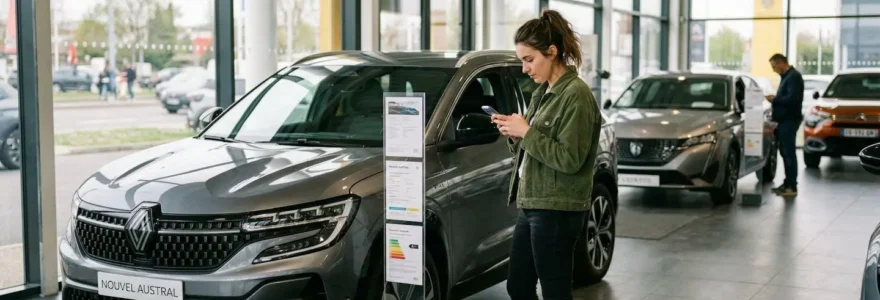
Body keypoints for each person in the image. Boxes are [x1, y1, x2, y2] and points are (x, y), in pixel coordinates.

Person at [491, 9, 601, 300]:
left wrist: (527, 132)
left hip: (558, 208)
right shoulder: (542, 93)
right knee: (518, 285)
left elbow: (570, 159)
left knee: (555, 291)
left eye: (529, 59)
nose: (525, 69)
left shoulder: (576, 95)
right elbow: (534, 146)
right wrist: (515, 134)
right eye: (522, 61)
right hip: (533, 202)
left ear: (552, 52)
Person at [765, 53, 803, 196]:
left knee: (788, 153)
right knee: (785, 152)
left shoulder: (794, 77)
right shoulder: (787, 77)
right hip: (784, 120)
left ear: (781, 63)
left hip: (789, 120)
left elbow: (792, 99)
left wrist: (774, 99)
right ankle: (788, 183)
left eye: (774, 66)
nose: (773, 70)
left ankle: (791, 186)